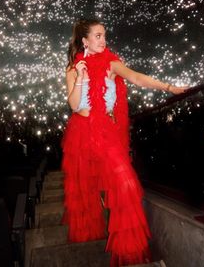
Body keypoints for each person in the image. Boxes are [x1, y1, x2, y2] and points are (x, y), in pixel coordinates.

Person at [61, 18, 188, 267]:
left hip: (105, 133)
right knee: (84, 191)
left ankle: (129, 253)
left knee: (126, 184)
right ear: (85, 40)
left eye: (104, 35)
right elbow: (75, 106)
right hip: (81, 134)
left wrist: (168, 87)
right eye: (98, 36)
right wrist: (80, 77)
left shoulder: (111, 62)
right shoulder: (73, 68)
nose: (103, 40)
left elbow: (137, 78)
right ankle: (89, 243)